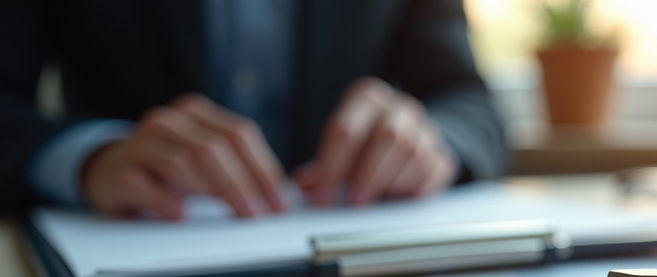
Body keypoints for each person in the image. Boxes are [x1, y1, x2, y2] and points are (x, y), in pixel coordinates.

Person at [0, 0, 509, 218]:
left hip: (361, 255)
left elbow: (468, 101)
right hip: (134, 249)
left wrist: (433, 140)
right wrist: (91, 157)